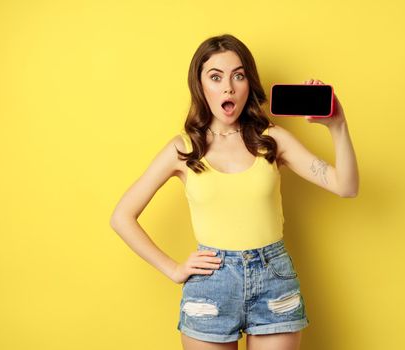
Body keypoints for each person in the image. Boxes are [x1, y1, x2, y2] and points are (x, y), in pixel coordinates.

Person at [110, 33, 359, 350]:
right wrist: (173, 269)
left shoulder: (272, 140)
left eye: (238, 76)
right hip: (211, 286)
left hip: (274, 282)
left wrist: (337, 126)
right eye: (216, 77)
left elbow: (346, 186)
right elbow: (122, 217)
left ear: (248, 84)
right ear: (201, 87)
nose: (228, 87)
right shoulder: (183, 149)